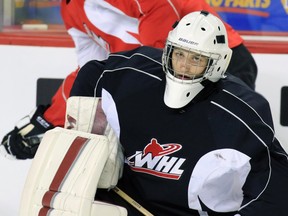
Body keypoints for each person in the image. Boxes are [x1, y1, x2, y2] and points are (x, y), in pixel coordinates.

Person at [69, 10, 288, 216]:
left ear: (217, 64)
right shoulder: (131, 76)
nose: (183, 66)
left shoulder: (241, 112)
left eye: (196, 59)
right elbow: (91, 75)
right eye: (179, 54)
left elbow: (277, 190)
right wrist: (89, 143)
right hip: (125, 206)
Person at [0, 0, 257, 159]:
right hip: (169, 76)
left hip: (216, 65)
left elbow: (161, 15)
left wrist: (156, 79)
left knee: (218, 162)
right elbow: (91, 69)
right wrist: (47, 120)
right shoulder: (70, 8)